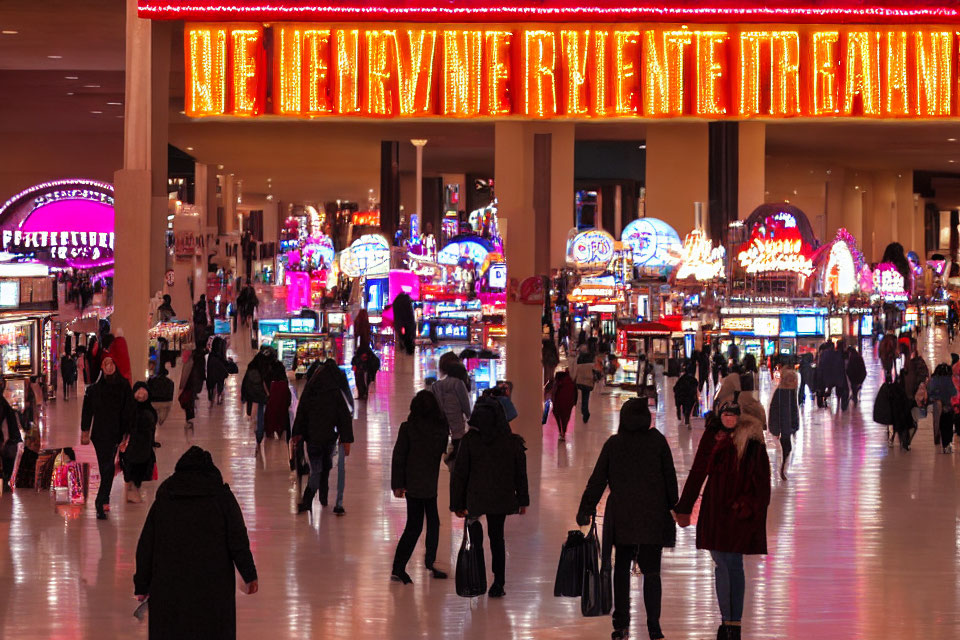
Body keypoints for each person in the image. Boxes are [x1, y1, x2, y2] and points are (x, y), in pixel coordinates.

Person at [576, 399, 677, 640]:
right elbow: (670, 479)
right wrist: (674, 508)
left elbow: (598, 479)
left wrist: (585, 508)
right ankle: (654, 627)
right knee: (652, 572)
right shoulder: (658, 442)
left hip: (621, 516)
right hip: (653, 516)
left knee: (620, 569)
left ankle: (621, 624)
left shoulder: (614, 444)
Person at [134, 447, 258, 640]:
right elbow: (238, 540)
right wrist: (249, 575)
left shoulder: (166, 497)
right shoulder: (222, 497)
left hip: (169, 589)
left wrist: (141, 585)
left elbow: (146, 545)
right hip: (212, 590)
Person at [674, 403, 771, 640]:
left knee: (733, 564)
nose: (729, 419)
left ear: (740, 417)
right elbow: (698, 471)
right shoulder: (713, 437)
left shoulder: (752, 442)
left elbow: (762, 482)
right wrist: (684, 508)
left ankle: (732, 623)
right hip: (716, 510)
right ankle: (727, 620)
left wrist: (747, 507)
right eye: (725, 415)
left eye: (733, 415)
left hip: (737, 514)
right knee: (721, 563)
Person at [450, 396, 529, 598]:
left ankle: (477, 578)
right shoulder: (512, 443)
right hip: (500, 498)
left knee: (475, 539)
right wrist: (523, 500)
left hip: (475, 499)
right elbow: (520, 473)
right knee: (497, 539)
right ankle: (498, 582)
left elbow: (460, 474)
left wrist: (457, 503)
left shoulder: (469, 442)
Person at [390, 390, 451, 584]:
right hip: (430, 483)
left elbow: (399, 457)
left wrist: (398, 484)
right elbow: (442, 451)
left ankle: (399, 566)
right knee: (433, 523)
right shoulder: (440, 428)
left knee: (414, 526)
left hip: (413, 484)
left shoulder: (408, 428)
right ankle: (430, 561)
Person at [292, 361, 354, 512]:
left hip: (312, 437)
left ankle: (310, 500)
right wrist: (346, 439)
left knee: (317, 469)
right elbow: (344, 417)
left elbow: (301, 413)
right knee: (325, 466)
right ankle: (319, 498)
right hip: (329, 437)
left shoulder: (310, 389)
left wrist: (297, 433)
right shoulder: (335, 393)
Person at [80, 355, 134, 519]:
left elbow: (129, 410)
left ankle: (104, 500)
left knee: (107, 469)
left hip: (116, 433)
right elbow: (87, 411)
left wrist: (127, 435)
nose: (109, 367)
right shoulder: (95, 390)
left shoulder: (123, 386)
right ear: (101, 367)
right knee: (107, 468)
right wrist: (85, 431)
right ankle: (100, 502)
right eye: (105, 364)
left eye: (112, 363)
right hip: (101, 435)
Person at [431, 353, 472, 465]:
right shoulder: (458, 384)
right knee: (457, 436)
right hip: (456, 418)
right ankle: (455, 454)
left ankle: (447, 453)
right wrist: (470, 417)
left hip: (443, 418)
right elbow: (465, 403)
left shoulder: (437, 385)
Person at [121, 382, 158, 504]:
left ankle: (132, 490)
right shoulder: (131, 409)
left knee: (140, 468)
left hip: (144, 446)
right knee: (133, 468)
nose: (141, 394)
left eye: (144, 391)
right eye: (138, 391)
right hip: (133, 445)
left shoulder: (150, 410)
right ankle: (132, 491)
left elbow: (152, 429)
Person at [241, 346, 275, 456]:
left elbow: (245, 382)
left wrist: (244, 397)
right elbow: (267, 380)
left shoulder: (253, 365)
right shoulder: (267, 366)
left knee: (259, 412)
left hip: (253, 393)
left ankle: (259, 436)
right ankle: (260, 435)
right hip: (263, 394)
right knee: (261, 412)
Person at [769, 368, 800, 480]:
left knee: (787, 448)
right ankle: (782, 469)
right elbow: (775, 411)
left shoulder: (788, 392)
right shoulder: (783, 393)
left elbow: (793, 409)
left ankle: (782, 468)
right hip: (783, 427)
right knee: (787, 447)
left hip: (785, 427)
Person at [927, 363, 956, 452]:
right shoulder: (949, 380)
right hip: (947, 406)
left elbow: (929, 391)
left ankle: (939, 440)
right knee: (949, 425)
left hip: (938, 404)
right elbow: (954, 392)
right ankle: (948, 444)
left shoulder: (934, 379)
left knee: (939, 423)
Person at [0, 378, 22, 491]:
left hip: (8, 445)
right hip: (10, 444)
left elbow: (6, 431)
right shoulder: (4, 402)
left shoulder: (3, 403)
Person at [263, 360, 291, 441]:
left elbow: (264, 382)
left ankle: (270, 436)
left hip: (271, 404)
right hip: (282, 406)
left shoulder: (269, 376)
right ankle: (280, 436)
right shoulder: (284, 381)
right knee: (281, 418)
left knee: (271, 418)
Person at [178, 348, 206, 428]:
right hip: (192, 384)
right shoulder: (197, 359)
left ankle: (189, 419)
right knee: (188, 401)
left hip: (189, 384)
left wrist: (181, 385)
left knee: (187, 401)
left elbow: (185, 374)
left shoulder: (190, 361)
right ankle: (189, 419)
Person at [551, 369, 577, 441]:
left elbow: (554, 393)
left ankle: (560, 432)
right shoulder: (571, 382)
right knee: (566, 418)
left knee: (558, 418)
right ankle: (564, 432)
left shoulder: (557, 383)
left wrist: (553, 401)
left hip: (558, 404)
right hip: (569, 404)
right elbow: (575, 393)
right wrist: (574, 403)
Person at [574, 346, 597, 422]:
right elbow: (596, 372)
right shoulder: (591, 362)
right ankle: (585, 412)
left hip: (580, 381)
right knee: (585, 397)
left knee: (583, 397)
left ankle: (584, 411)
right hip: (588, 381)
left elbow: (575, 371)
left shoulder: (579, 362)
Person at [205, 336, 230, 405]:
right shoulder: (221, 354)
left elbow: (208, 365)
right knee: (220, 383)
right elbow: (224, 362)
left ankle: (212, 398)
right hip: (219, 372)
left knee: (212, 384)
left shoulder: (211, 355)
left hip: (212, 372)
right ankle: (219, 397)